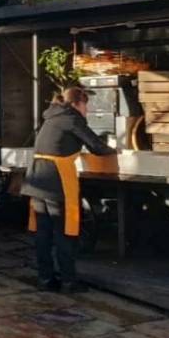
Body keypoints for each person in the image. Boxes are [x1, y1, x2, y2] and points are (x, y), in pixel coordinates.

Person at [20, 85, 114, 293]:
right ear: (76, 104)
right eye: (85, 106)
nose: (86, 111)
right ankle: (69, 282)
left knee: (43, 233)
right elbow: (96, 147)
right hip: (56, 181)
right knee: (64, 232)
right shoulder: (72, 118)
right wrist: (115, 150)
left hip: (36, 179)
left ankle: (45, 279)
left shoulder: (51, 117)